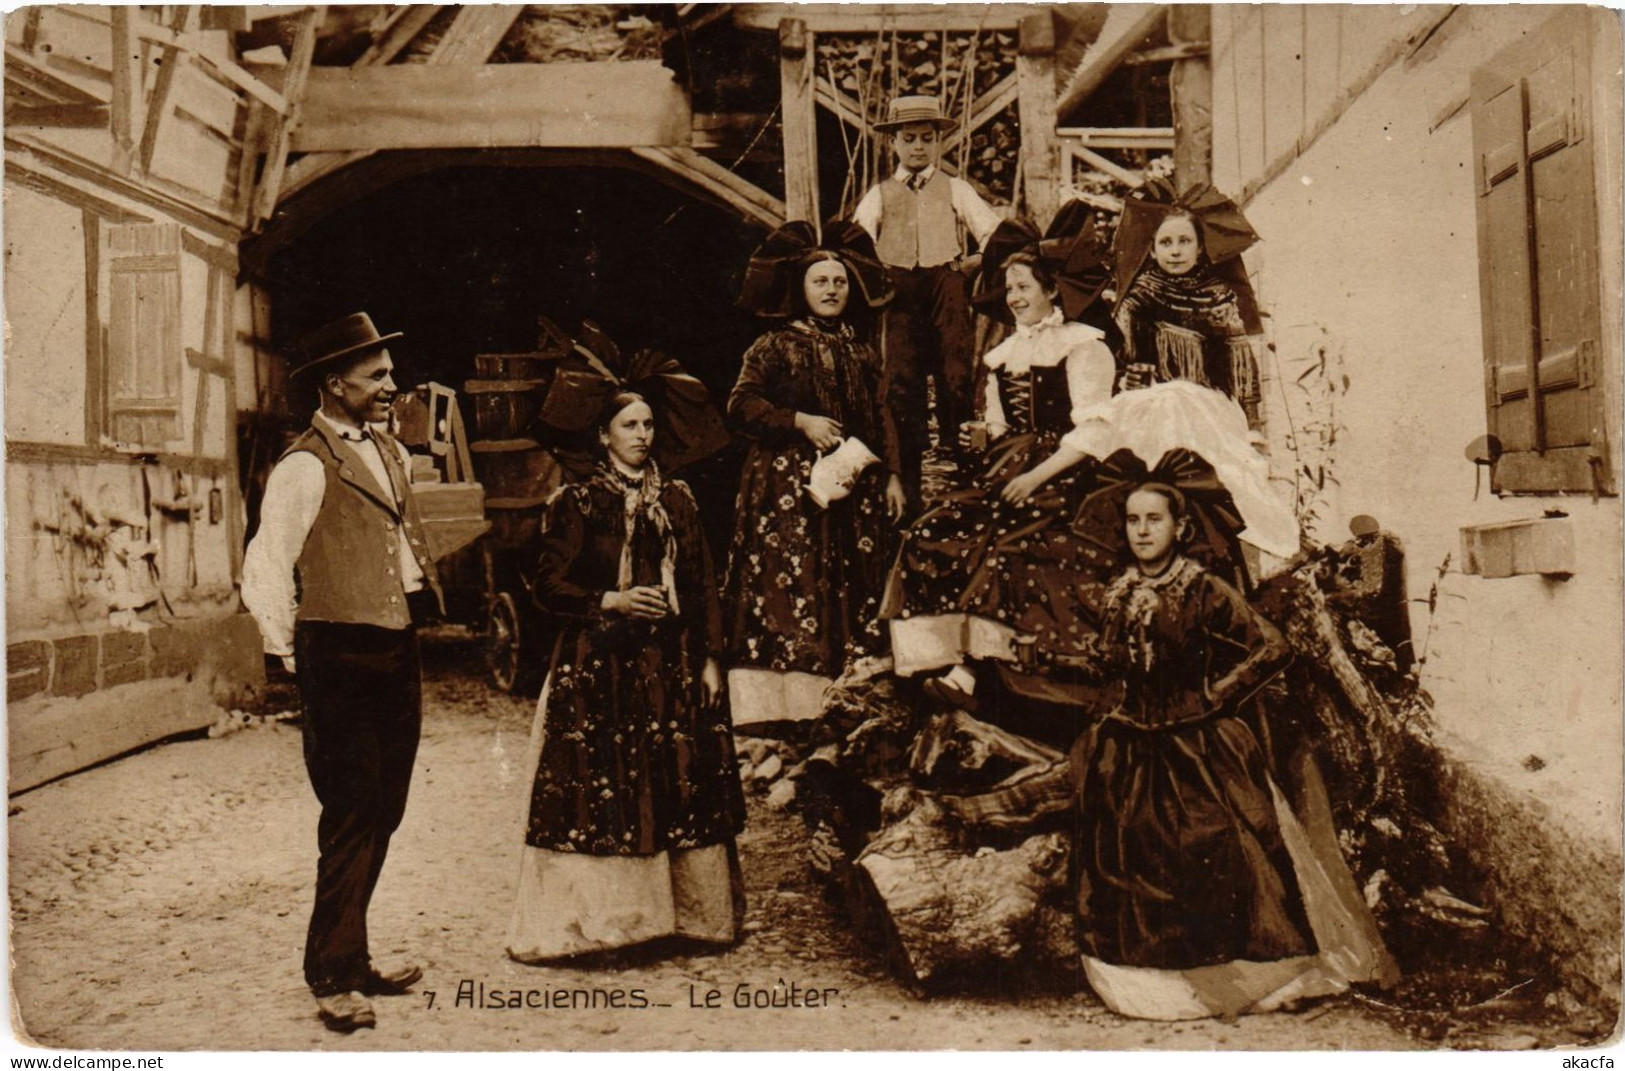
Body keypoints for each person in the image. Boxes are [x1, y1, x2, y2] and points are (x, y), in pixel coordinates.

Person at [1070, 477, 1393, 1020]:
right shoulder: (1120, 591)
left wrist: (1216, 695)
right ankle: (1151, 984)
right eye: (1133, 520)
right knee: (1128, 851)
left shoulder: (1203, 589)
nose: (1143, 531)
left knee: (1212, 844)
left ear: (1180, 527)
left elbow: (1272, 647)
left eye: (1155, 519)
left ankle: (1229, 978)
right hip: (1130, 743)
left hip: (1197, 744)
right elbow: (1112, 664)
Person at [241, 312, 442, 1033]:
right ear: (335, 384)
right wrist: (290, 655)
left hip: (394, 641)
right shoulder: (303, 463)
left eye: (389, 374)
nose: (391, 385)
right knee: (351, 809)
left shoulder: (389, 450)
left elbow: (396, 541)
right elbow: (266, 561)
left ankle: (353, 960)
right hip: (337, 650)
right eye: (376, 376)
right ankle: (330, 974)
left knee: (384, 804)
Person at [508, 389, 745, 962]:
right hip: (600, 665)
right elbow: (547, 586)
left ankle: (688, 918)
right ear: (603, 437)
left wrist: (712, 659)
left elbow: (703, 585)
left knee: (679, 779)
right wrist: (611, 599)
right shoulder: (578, 503)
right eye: (628, 425)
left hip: (673, 666)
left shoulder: (679, 502)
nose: (642, 434)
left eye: (647, 424)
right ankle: (606, 925)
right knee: (605, 786)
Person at [879, 204, 1121, 711]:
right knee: (934, 526)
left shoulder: (1084, 346)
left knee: (1008, 540)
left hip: (1068, 469)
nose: (1013, 299)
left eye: (1023, 289)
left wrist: (1034, 476)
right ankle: (930, 657)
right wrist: (983, 436)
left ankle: (973, 672)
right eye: (1009, 290)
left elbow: (1096, 430)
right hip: (1009, 462)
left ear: (1051, 290)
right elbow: (1001, 426)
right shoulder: (1005, 352)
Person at [723, 220, 903, 724]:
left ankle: (851, 702)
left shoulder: (863, 351)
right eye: (820, 281)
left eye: (840, 281)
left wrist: (892, 476)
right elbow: (740, 406)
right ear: (801, 290)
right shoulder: (773, 346)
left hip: (855, 487)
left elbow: (882, 414)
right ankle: (787, 710)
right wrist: (799, 422)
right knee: (795, 587)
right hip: (790, 491)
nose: (831, 290)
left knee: (854, 584)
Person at [854, 95, 1004, 508]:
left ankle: (956, 457)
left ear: (939, 142)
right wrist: (877, 273)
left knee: (955, 369)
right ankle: (909, 474)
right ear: (894, 144)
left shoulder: (955, 188)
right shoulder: (879, 195)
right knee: (900, 378)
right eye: (909, 139)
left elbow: (993, 232)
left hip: (945, 283)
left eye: (926, 138)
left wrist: (971, 264)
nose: (918, 147)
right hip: (899, 290)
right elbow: (857, 242)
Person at [1111, 180, 1267, 430]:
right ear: (1151, 251)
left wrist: (1253, 428)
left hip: (1213, 417)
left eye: (1184, 241)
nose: (1175, 251)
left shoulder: (1218, 298)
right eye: (1165, 243)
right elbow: (1122, 367)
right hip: (1156, 417)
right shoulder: (1140, 300)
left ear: (1200, 248)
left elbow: (1241, 371)